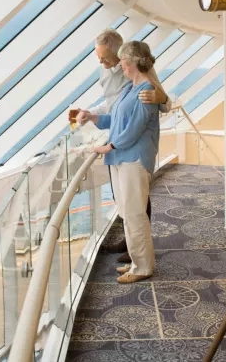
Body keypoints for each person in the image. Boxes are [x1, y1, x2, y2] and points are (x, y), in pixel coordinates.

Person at [75, 29, 170, 263]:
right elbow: (112, 107)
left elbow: (158, 105)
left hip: (129, 149)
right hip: (118, 143)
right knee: (126, 204)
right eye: (99, 57)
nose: (101, 62)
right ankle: (131, 243)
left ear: (123, 57)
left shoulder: (140, 78)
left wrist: (109, 146)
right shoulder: (117, 79)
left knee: (137, 206)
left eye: (105, 58)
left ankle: (139, 255)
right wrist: (92, 115)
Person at [87, 41, 159, 283]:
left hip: (133, 159)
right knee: (128, 213)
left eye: (124, 64)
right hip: (120, 158)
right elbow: (116, 119)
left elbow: (133, 129)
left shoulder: (146, 91)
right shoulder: (130, 88)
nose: (121, 68)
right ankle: (137, 262)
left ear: (135, 63)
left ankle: (142, 267)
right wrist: (93, 117)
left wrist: (109, 146)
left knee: (135, 214)